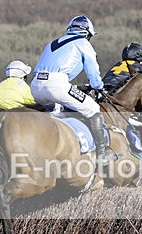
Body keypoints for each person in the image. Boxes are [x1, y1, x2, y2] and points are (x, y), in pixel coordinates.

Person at [31, 15, 117, 165]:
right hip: (57, 84)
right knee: (93, 109)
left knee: (57, 112)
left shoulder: (53, 42)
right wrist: (99, 86)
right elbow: (93, 73)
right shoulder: (83, 43)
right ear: (87, 34)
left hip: (36, 85)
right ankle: (102, 154)